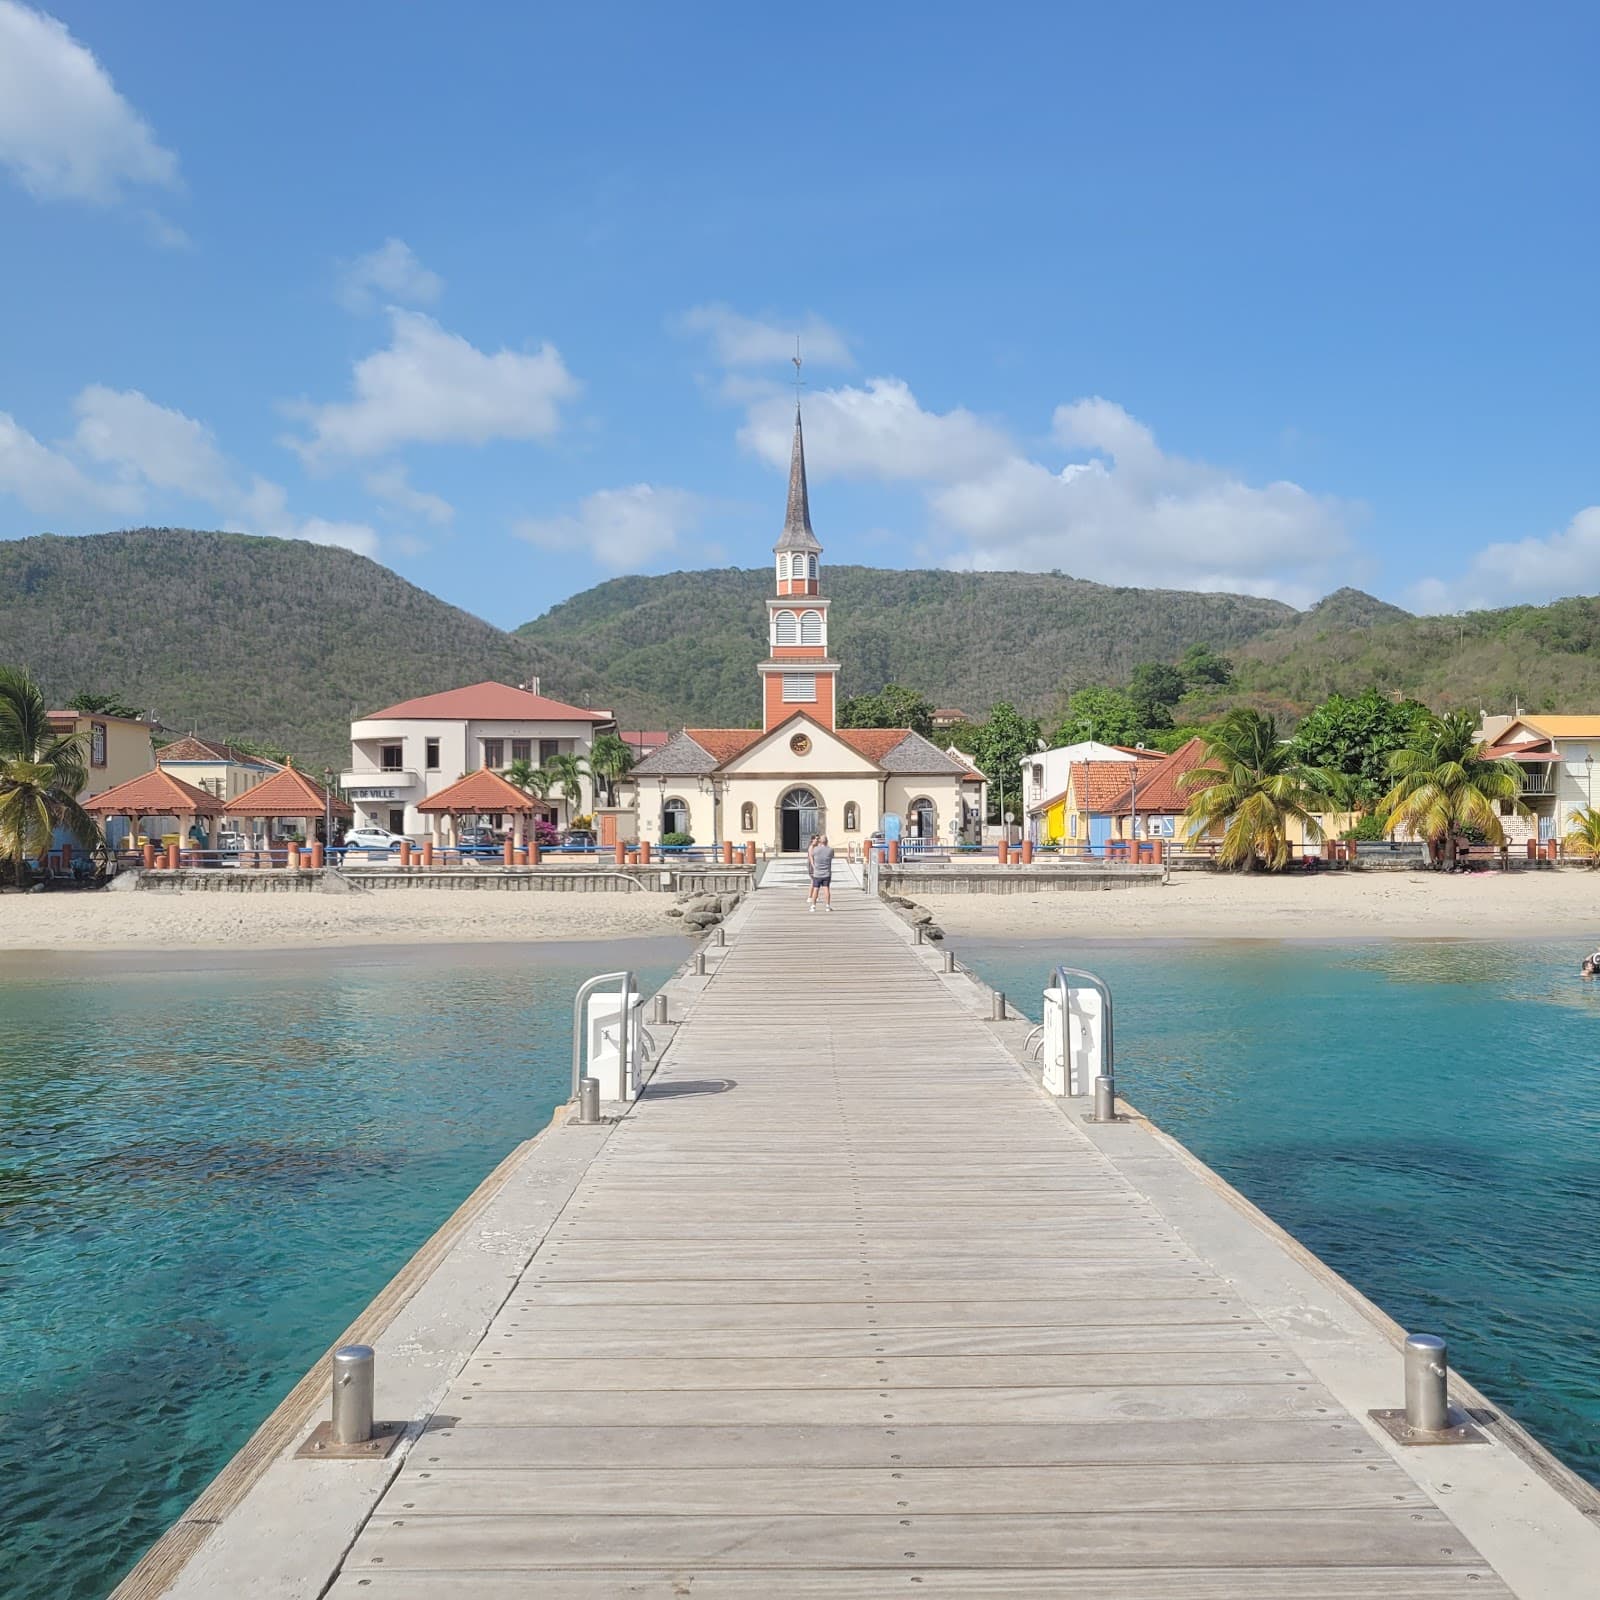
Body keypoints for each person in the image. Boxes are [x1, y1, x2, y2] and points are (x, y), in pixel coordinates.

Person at [807, 833, 835, 912]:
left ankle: (813, 906)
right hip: (826, 872)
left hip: (817, 872)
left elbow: (811, 855)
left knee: (816, 889)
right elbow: (832, 857)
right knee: (826, 889)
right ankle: (827, 906)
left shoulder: (815, 849)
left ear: (820, 841)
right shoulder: (830, 850)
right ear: (827, 841)